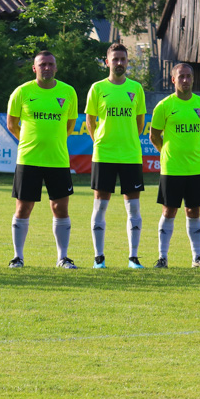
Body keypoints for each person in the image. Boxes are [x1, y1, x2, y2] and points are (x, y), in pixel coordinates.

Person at [5, 50, 78, 268]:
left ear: (56, 68)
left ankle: (62, 257)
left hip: (57, 160)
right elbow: (12, 124)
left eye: (50, 64)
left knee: (60, 208)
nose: (47, 67)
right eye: (42, 64)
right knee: (23, 208)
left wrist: (52, 142)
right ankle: (18, 257)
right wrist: (29, 141)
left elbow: (69, 125)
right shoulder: (22, 92)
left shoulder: (68, 92)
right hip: (29, 159)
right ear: (34, 68)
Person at [85, 43, 147, 269]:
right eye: (116, 59)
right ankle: (98, 258)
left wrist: (128, 139)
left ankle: (133, 258)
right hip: (104, 155)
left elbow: (140, 122)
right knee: (100, 207)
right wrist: (100, 141)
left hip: (130, 155)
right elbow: (90, 121)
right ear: (107, 61)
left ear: (127, 62)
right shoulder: (97, 88)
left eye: (123, 59)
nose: (120, 63)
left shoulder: (136, 88)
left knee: (133, 208)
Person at [149, 63, 200, 269]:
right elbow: (154, 136)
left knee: (194, 211)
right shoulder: (164, 106)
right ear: (173, 80)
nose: (185, 80)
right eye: (181, 77)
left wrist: (195, 148)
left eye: (188, 76)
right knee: (169, 211)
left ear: (193, 79)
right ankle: (162, 257)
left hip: (194, 168)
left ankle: (197, 258)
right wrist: (167, 152)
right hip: (171, 169)